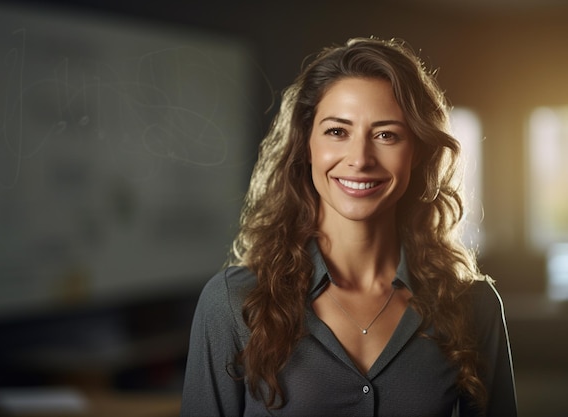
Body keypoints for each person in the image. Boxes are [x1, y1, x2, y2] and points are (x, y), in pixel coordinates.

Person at [180, 36, 517, 417]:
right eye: (337, 131)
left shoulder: (472, 306)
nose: (359, 158)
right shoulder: (233, 303)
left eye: (386, 134)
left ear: (417, 151)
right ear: (306, 144)